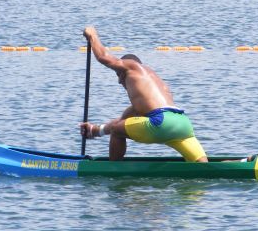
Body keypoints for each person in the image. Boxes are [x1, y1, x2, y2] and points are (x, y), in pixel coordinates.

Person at [79, 27, 208, 162]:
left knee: (117, 131)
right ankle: (228, 166)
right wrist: (95, 130)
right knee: (203, 167)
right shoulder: (151, 90)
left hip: (161, 122)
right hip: (183, 124)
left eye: (118, 74)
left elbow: (103, 57)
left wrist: (92, 35)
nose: (119, 81)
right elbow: (121, 122)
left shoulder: (131, 67)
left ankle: (114, 171)